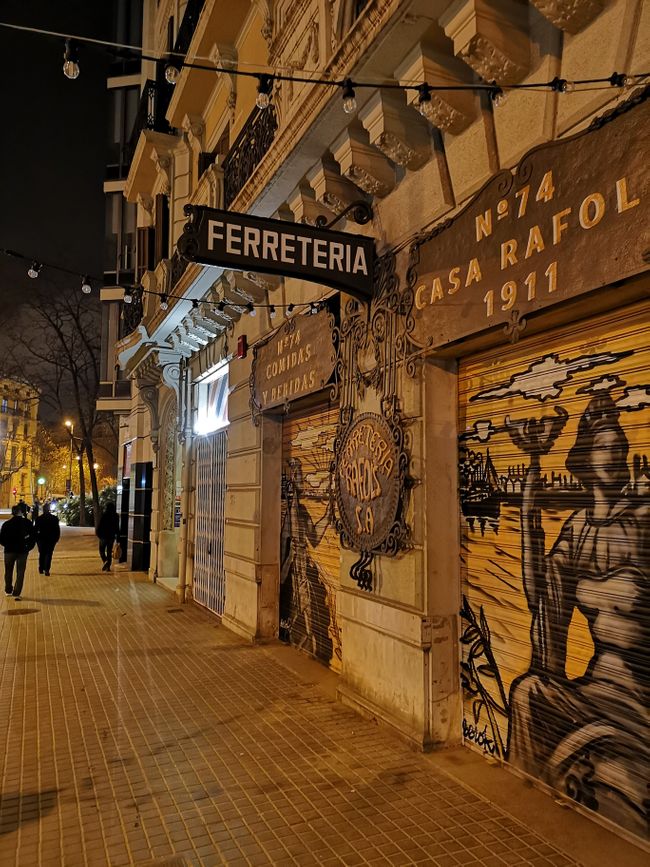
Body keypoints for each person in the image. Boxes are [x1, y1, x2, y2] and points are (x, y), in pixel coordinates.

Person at [506, 394, 649, 836]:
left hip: (640, 697)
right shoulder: (579, 529)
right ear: (586, 458)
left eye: (621, 447)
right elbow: (540, 592)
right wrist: (531, 464)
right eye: (607, 447)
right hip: (595, 686)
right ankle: (527, 815)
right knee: (527, 692)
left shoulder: (644, 520)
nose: (619, 455)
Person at [0, 505, 37, 600]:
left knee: (8, 571)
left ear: (12, 513)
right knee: (20, 572)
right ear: (21, 512)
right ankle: (16, 592)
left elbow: (1, 539)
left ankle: (8, 590)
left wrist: (7, 545)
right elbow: (33, 537)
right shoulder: (27, 523)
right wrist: (29, 547)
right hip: (22, 551)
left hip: (9, 551)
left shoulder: (6, 524)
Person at [34, 502, 60, 576]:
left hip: (41, 539)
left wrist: (36, 539)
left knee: (42, 553)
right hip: (51, 539)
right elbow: (57, 530)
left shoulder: (39, 519)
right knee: (49, 554)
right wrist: (56, 538)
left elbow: (35, 530)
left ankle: (41, 568)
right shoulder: (54, 518)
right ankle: (47, 569)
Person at [96, 502, 120, 571]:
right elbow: (117, 528)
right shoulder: (116, 516)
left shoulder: (104, 515)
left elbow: (100, 525)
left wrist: (98, 534)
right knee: (109, 552)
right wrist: (118, 538)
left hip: (103, 536)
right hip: (111, 536)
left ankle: (105, 561)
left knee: (101, 550)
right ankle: (108, 567)